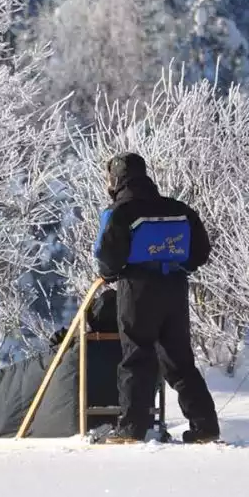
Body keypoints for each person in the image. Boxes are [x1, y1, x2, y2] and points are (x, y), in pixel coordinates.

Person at [92, 153, 221, 444]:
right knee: (179, 360)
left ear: (115, 179)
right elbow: (200, 251)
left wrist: (112, 274)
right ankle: (205, 427)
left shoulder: (120, 212)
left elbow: (107, 256)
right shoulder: (179, 209)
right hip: (175, 287)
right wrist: (177, 267)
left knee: (137, 357)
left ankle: (131, 429)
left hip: (137, 288)